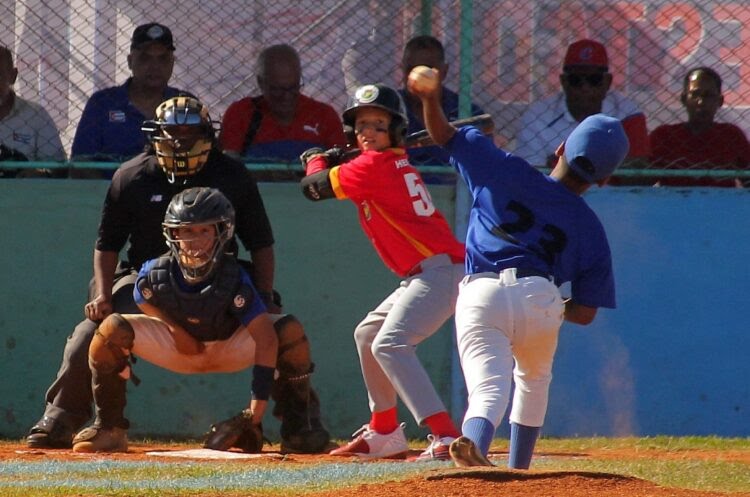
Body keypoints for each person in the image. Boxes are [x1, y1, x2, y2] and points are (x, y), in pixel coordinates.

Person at [26, 96, 329, 455]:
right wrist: (103, 294)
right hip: (147, 278)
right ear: (154, 134)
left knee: (284, 331)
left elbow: (261, 243)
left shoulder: (230, 174)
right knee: (92, 331)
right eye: (172, 132)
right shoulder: (133, 176)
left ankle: (301, 422)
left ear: (208, 135)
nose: (181, 141)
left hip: (219, 277)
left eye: (190, 132)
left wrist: (264, 293)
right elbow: (107, 244)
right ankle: (74, 418)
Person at [408, 67, 629, 468]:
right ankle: (519, 470)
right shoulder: (590, 228)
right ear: (605, 178)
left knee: (487, 387)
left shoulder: (502, 168)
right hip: (541, 297)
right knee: (533, 380)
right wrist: (546, 306)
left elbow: (442, 135)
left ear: (561, 147)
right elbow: (584, 313)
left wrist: (429, 98)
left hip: (482, 292)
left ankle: (474, 441)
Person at [300, 84, 465, 461]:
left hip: (440, 272)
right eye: (361, 125)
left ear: (395, 131)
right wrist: (334, 161)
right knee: (369, 333)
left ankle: (445, 436)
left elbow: (312, 188)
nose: (368, 132)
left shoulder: (373, 165)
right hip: (428, 273)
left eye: (378, 124)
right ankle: (385, 431)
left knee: (390, 345)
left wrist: (315, 159)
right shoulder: (382, 163)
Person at [71, 187, 278, 452]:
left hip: (228, 347)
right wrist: (176, 330)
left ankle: (300, 429)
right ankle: (109, 428)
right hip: (177, 348)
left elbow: (266, 339)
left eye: (205, 230)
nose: (196, 240)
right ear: (174, 234)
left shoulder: (234, 276)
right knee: (111, 329)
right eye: (188, 231)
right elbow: (142, 297)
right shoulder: (156, 272)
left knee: (286, 330)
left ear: (221, 231)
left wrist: (254, 414)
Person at [70, 23, 194, 177]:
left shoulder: (186, 105)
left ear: (172, 63)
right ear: (130, 61)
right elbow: (81, 164)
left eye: (163, 59)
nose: (155, 66)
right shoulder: (102, 103)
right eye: (145, 58)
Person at [515, 39, 647, 172]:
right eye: (576, 80)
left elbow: (637, 175)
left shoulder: (627, 112)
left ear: (607, 82)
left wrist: (560, 165)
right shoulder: (537, 116)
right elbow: (529, 176)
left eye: (594, 80)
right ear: (564, 82)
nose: (585, 87)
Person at [219, 44, 346, 168]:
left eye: (293, 87)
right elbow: (229, 167)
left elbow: (340, 167)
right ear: (261, 83)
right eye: (277, 89)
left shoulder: (323, 115)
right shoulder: (241, 114)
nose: (286, 96)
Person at [649, 67, 749, 187]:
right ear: (684, 99)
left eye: (708, 96)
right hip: (674, 204)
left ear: (720, 101)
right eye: (695, 94)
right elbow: (638, 182)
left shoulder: (731, 136)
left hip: (720, 204)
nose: (701, 102)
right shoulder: (664, 136)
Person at [398, 35, 485, 166]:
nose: (417, 76)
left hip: (455, 184)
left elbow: (481, 160)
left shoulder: (467, 111)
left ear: (443, 71)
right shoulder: (390, 108)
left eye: (426, 69)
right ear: (402, 69)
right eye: (410, 69)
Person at [0, 45, 65, 177]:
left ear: (13, 76)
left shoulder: (36, 115)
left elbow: (59, 167)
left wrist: (39, 173)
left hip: (23, 193)